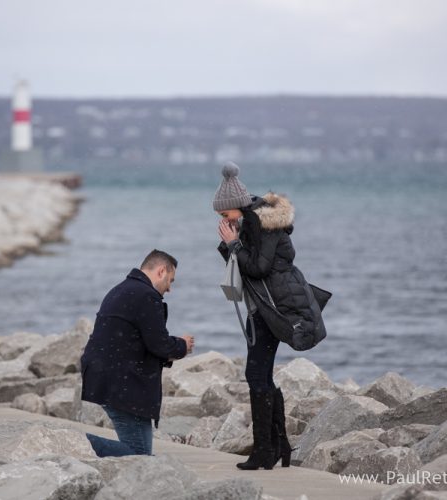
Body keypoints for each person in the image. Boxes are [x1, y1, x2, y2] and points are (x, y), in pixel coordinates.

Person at [213, 162, 297, 470]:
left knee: (256, 376)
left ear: (237, 206)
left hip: (270, 308)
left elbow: (259, 267)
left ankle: (265, 450)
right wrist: (229, 244)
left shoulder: (264, 223)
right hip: (258, 307)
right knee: (260, 376)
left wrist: (233, 243)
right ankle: (278, 445)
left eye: (225, 214)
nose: (224, 219)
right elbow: (241, 264)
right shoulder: (249, 223)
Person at [80, 249, 195, 457]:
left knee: (138, 453)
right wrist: (182, 346)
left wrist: (171, 349)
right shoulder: (146, 295)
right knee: (138, 455)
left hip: (109, 377)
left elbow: (140, 342)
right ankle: (75, 444)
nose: (170, 289)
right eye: (171, 280)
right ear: (161, 271)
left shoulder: (123, 289)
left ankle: (75, 444)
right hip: (122, 383)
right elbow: (159, 344)